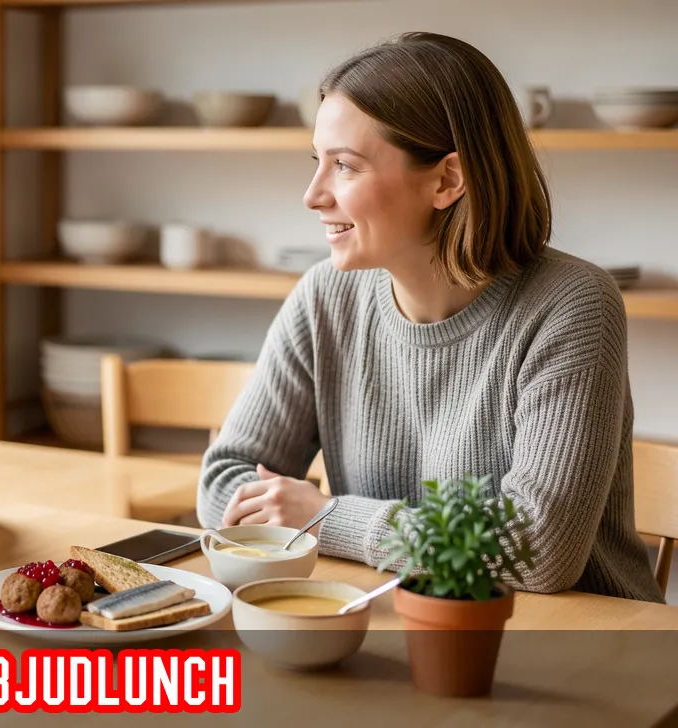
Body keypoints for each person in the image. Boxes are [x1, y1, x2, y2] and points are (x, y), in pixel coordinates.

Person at [198, 32, 664, 604]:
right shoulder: (325, 296)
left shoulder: (572, 304)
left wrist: (325, 517)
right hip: (395, 615)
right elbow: (225, 478)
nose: (313, 195)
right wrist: (296, 511)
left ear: (447, 180)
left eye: (344, 166)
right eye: (317, 162)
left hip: (581, 636)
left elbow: (539, 549)